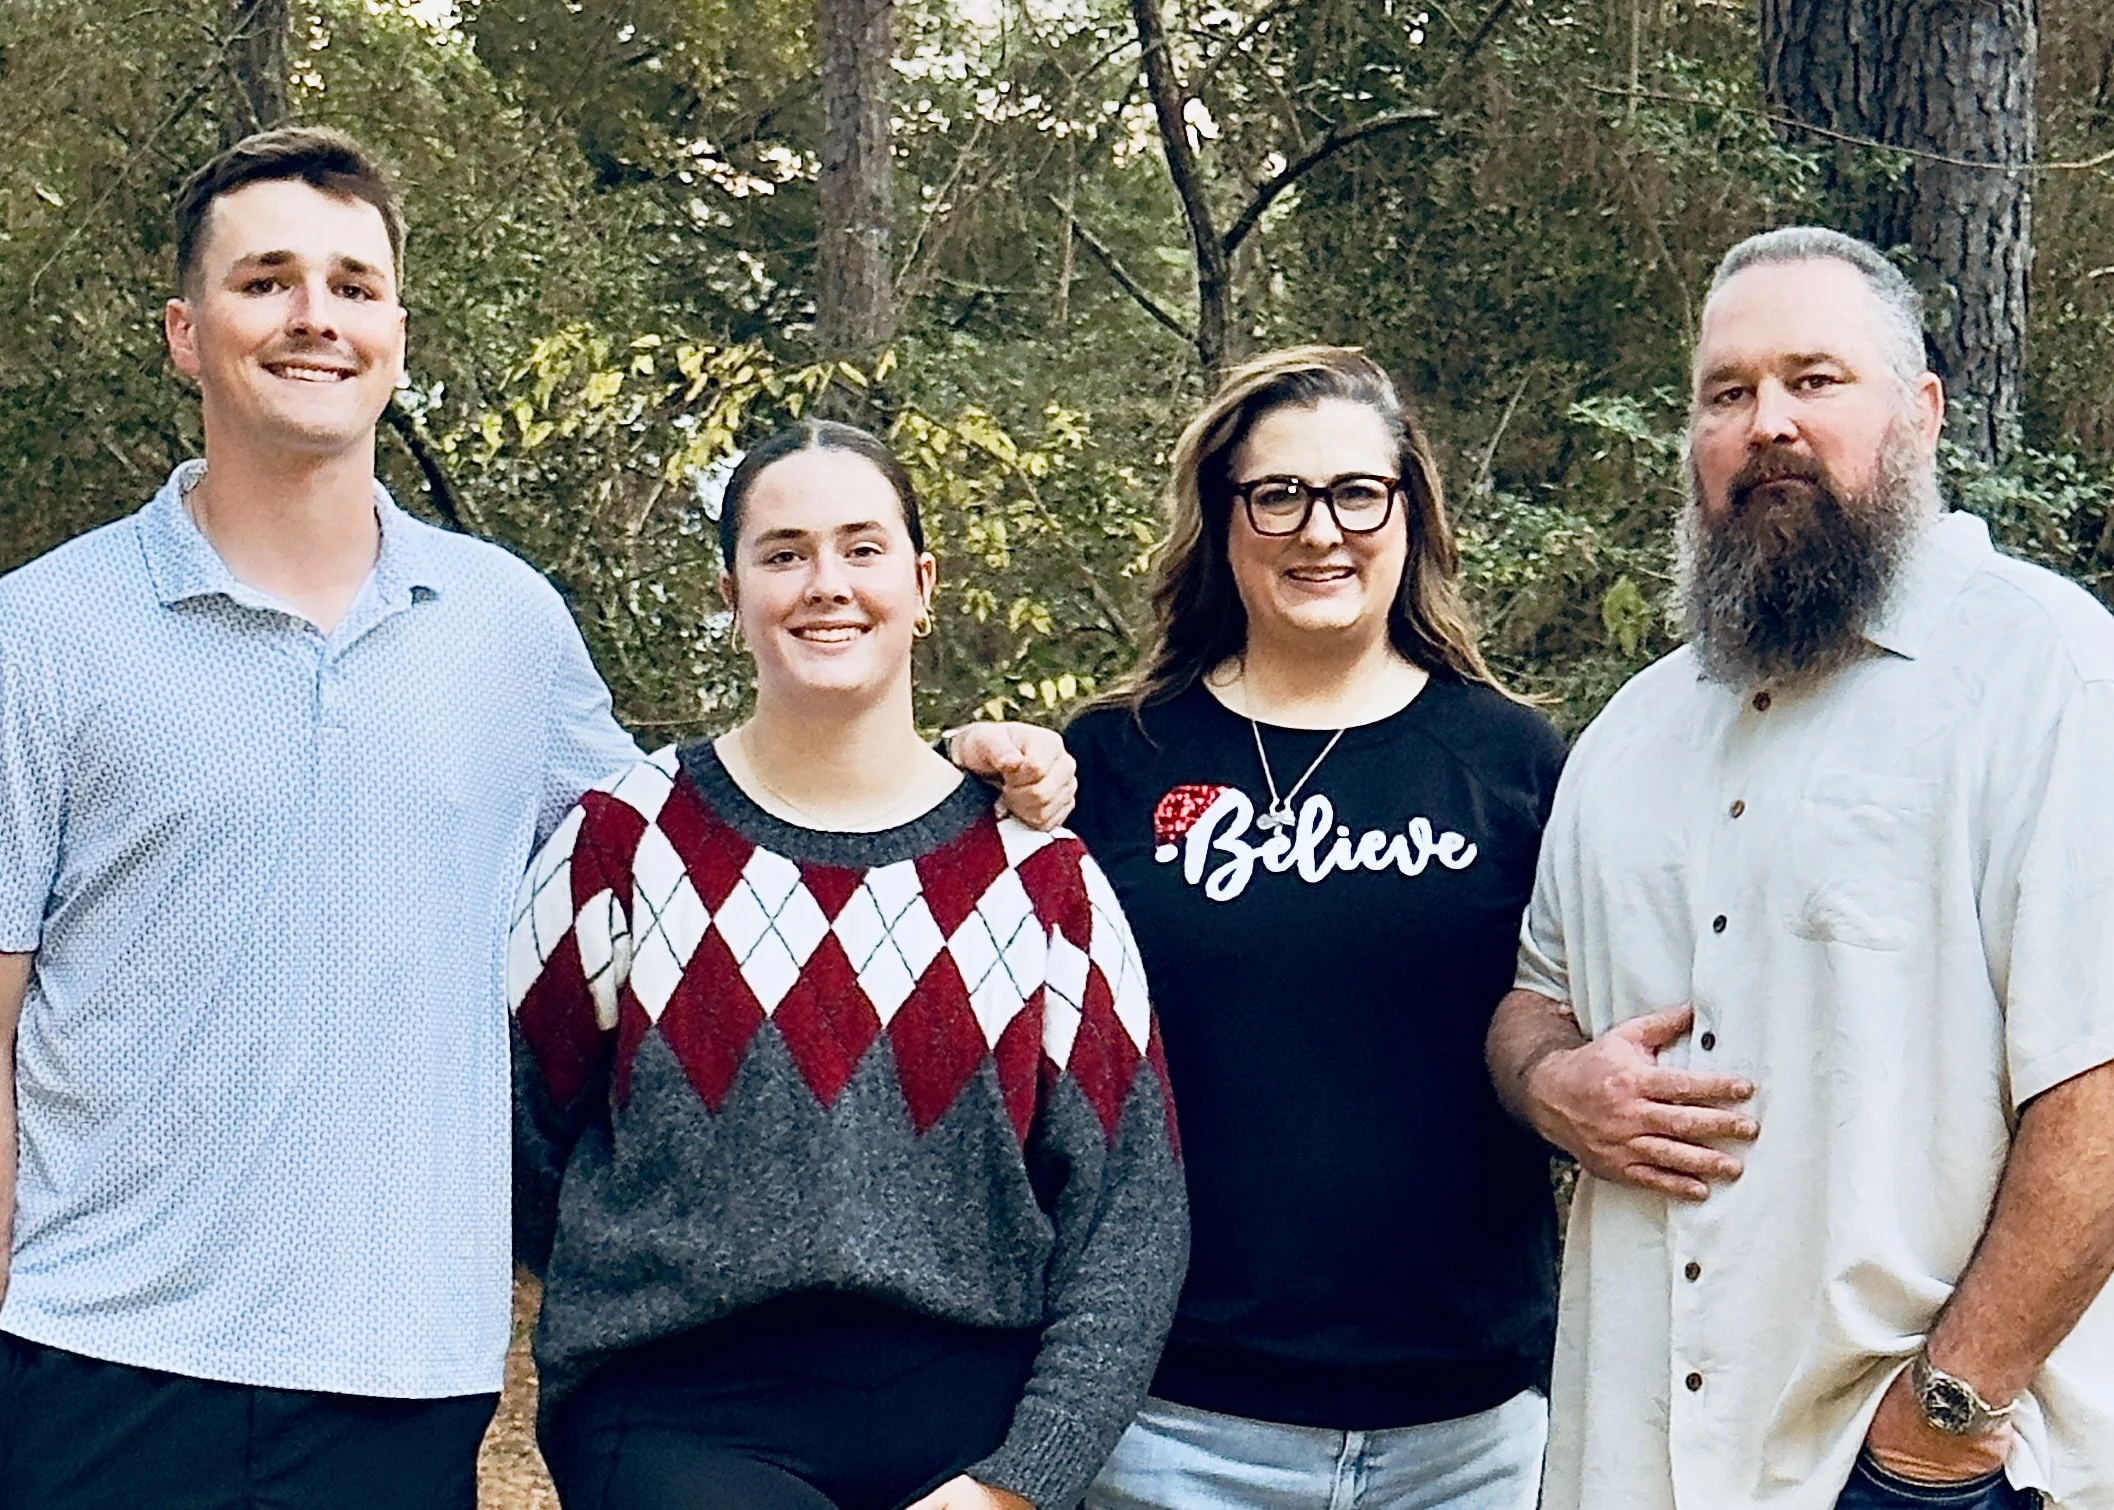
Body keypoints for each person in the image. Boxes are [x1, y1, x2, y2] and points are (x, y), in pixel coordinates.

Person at [0, 128, 1072, 1509]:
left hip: (407, 1372)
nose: (314, 316)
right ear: (183, 333)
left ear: (395, 329)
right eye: (264, 281)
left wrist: (968, 780)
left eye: (353, 283)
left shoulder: (505, 624)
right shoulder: (43, 634)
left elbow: (717, 846)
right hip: (99, 1356)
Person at [1486, 227, 2114, 1510]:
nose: (1766, 423)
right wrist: (1552, 1082)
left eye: (1813, 379)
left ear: (1920, 413)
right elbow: (1532, 993)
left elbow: (2096, 1080)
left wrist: (1941, 1423)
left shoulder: (2047, 674)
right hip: (1635, 1460)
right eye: (1727, 394)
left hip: (1908, 1469)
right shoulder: (1635, 728)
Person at [508, 418, 1188, 1510]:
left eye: (861, 548)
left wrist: (1021, 1480)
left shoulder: (1038, 877)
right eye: (782, 554)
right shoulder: (623, 844)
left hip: (969, 1419)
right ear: (730, 598)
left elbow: (1129, 1215)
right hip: (681, 1407)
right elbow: (522, 1139)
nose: (826, 583)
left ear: (921, 586)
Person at [1067, 347, 1567, 1510]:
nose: (1318, 531)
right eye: (1276, 494)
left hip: (1468, 1434)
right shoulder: (1113, 758)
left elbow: (1564, 1026)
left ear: (1406, 513)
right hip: (1173, 1427)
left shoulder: (1510, 760)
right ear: (1222, 516)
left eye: (1355, 493)